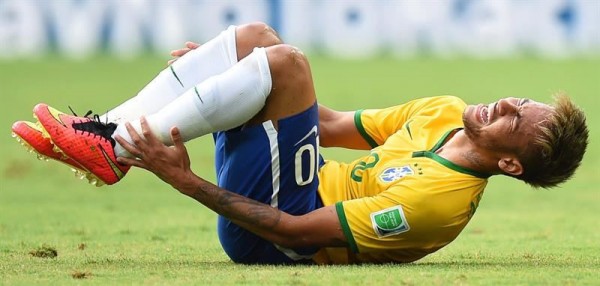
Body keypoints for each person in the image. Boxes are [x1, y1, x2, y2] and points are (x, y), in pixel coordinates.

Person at [11, 22, 588, 264]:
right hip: (285, 181)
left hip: (271, 234)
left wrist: (180, 177)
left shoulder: (438, 204)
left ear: (510, 163)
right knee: (259, 43)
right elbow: (328, 124)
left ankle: (122, 152)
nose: (504, 105)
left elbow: (291, 233)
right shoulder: (444, 112)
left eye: (515, 120)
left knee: (283, 62)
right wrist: (229, 82)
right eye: (518, 99)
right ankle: (105, 135)